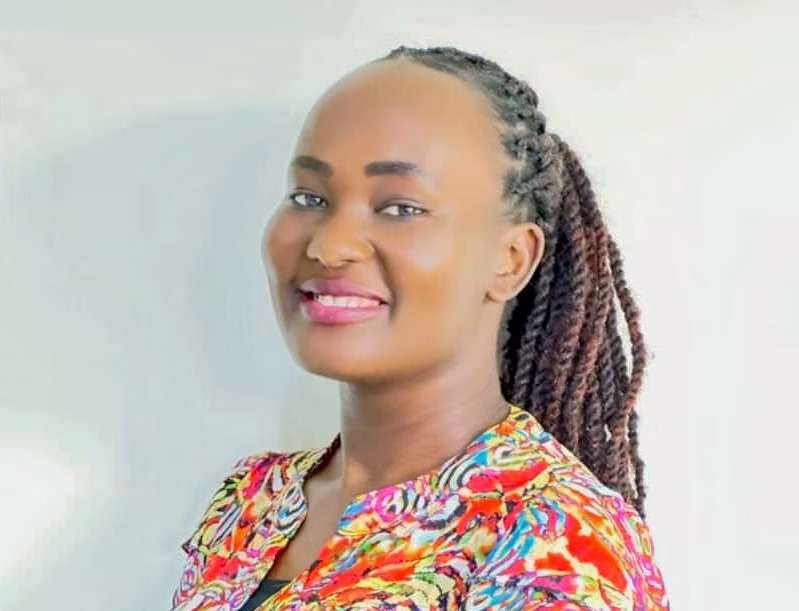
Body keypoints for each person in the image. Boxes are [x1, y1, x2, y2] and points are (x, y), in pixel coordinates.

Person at [171, 45, 669, 610]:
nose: (330, 245)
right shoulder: (252, 501)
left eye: (401, 208)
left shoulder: (557, 540)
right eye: (309, 197)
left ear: (510, 259)